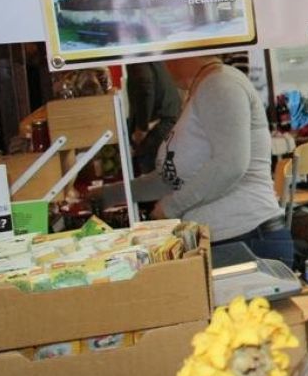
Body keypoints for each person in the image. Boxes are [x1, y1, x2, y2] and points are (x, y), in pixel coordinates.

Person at [103, 55, 292, 265]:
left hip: (244, 241)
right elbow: (170, 179)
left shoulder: (220, 85)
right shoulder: (204, 88)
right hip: (228, 242)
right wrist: (110, 195)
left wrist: (170, 207)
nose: (164, 63)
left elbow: (229, 165)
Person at [125, 61, 181, 175]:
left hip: (155, 127)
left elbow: (144, 85)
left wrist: (142, 127)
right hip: (167, 120)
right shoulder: (153, 58)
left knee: (154, 178)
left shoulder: (137, 58)